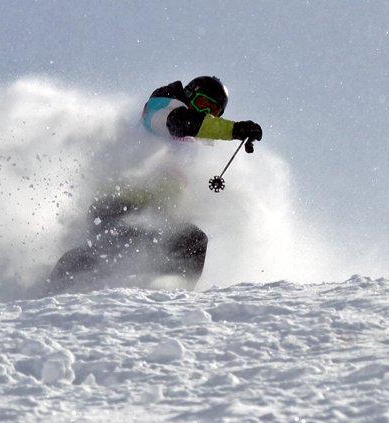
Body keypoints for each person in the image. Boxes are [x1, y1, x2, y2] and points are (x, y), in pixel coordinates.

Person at [46, 76, 263, 295]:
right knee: (116, 252)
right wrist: (234, 129)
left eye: (211, 112)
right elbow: (179, 122)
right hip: (117, 207)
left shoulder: (188, 147)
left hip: (155, 218)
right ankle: (61, 284)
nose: (203, 114)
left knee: (192, 243)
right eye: (201, 104)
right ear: (189, 96)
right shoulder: (161, 106)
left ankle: (170, 299)